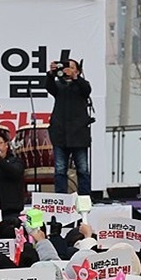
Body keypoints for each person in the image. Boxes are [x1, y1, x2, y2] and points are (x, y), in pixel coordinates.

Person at [45, 58, 93, 195]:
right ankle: (61, 199)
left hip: (79, 134)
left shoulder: (81, 85)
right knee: (60, 169)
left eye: (71, 67)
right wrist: (51, 73)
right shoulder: (59, 86)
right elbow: (49, 87)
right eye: (66, 67)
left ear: (77, 70)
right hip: (60, 134)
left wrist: (75, 78)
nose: (68, 70)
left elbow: (86, 90)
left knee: (82, 168)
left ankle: (85, 197)